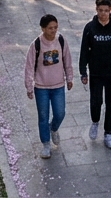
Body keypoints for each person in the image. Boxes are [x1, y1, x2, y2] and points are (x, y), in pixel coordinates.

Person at [78, 0, 111, 150]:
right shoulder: (90, 28)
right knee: (96, 101)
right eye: (100, 10)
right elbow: (84, 51)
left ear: (110, 10)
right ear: (96, 10)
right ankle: (95, 122)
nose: (103, 14)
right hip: (95, 72)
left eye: (106, 11)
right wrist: (83, 72)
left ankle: (108, 133)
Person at [24, 13, 73, 160]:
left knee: (60, 113)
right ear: (43, 28)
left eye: (56, 27)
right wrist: (29, 86)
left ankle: (54, 128)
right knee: (43, 116)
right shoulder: (36, 45)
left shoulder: (61, 40)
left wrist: (69, 78)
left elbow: (67, 61)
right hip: (41, 87)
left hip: (58, 85)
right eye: (50, 28)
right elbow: (29, 66)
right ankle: (46, 144)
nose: (53, 30)